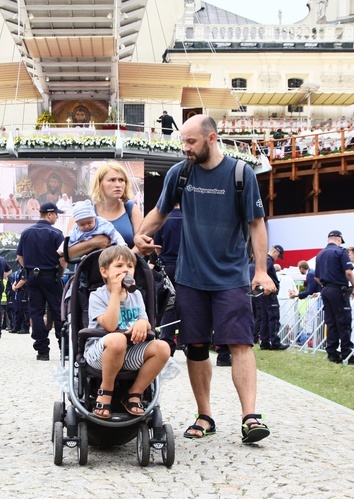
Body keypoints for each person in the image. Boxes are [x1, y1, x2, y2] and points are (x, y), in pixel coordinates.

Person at [134, 114, 275, 444]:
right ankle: (205, 415)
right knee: (195, 347)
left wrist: (260, 269)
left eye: (191, 141)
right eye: (183, 141)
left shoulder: (241, 174)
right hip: (190, 278)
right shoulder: (180, 172)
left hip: (230, 277)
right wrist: (140, 235)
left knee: (240, 343)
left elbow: (256, 224)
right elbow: (160, 211)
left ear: (212, 138)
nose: (186, 148)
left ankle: (250, 416)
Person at [84, 246, 171, 418]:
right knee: (117, 339)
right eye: (119, 266)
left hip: (130, 352)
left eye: (130, 266)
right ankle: (106, 390)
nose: (126, 270)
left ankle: (134, 393)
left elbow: (145, 320)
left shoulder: (136, 295)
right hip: (101, 354)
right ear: (105, 272)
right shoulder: (97, 296)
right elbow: (109, 326)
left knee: (162, 347)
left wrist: (142, 323)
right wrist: (115, 293)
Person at [17, 202, 66, 361]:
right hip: (51, 276)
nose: (57, 217)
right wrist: (61, 272)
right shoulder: (56, 233)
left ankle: (42, 350)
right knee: (59, 312)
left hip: (32, 277)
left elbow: (19, 257)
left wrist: (29, 270)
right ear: (50, 214)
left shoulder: (26, 233)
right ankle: (64, 349)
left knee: (36, 312)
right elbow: (63, 258)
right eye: (56, 214)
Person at [70, 162, 142, 256]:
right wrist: (93, 243)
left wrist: (122, 259)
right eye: (112, 180)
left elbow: (141, 245)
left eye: (121, 180)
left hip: (124, 268)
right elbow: (68, 252)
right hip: (90, 268)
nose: (118, 185)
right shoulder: (84, 210)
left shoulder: (131, 208)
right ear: (99, 183)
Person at [314, 230, 354, 364]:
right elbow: (349, 272)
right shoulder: (341, 252)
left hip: (326, 289)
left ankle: (332, 353)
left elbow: (316, 276)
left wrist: (325, 285)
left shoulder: (320, 254)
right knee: (344, 321)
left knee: (331, 322)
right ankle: (347, 353)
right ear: (339, 239)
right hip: (338, 289)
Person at [153, 204, 182, 356]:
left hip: (167, 264)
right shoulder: (189, 218)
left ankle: (167, 343)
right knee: (188, 304)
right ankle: (187, 340)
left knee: (168, 304)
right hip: (187, 266)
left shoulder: (163, 220)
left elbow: (157, 247)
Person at [257, 245, 288, 350]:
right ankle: (275, 342)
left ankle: (264, 342)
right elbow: (264, 273)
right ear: (275, 252)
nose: (278, 258)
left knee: (265, 318)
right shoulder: (268, 260)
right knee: (273, 317)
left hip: (263, 293)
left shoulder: (263, 260)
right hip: (269, 293)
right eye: (278, 256)